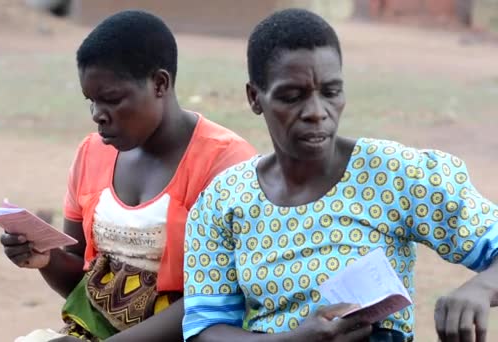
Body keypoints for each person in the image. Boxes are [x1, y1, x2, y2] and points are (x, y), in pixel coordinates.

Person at [182, 8, 498, 342]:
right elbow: (206, 329)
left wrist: (480, 287)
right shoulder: (224, 201)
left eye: (331, 92)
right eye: (292, 97)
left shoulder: (392, 174)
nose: (317, 113)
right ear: (254, 98)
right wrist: (293, 341)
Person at [0, 10, 256, 342]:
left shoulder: (226, 165)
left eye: (111, 99)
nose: (97, 116)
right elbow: (84, 280)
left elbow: (215, 302)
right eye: (90, 101)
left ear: (159, 84)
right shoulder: (91, 154)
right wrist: (46, 259)